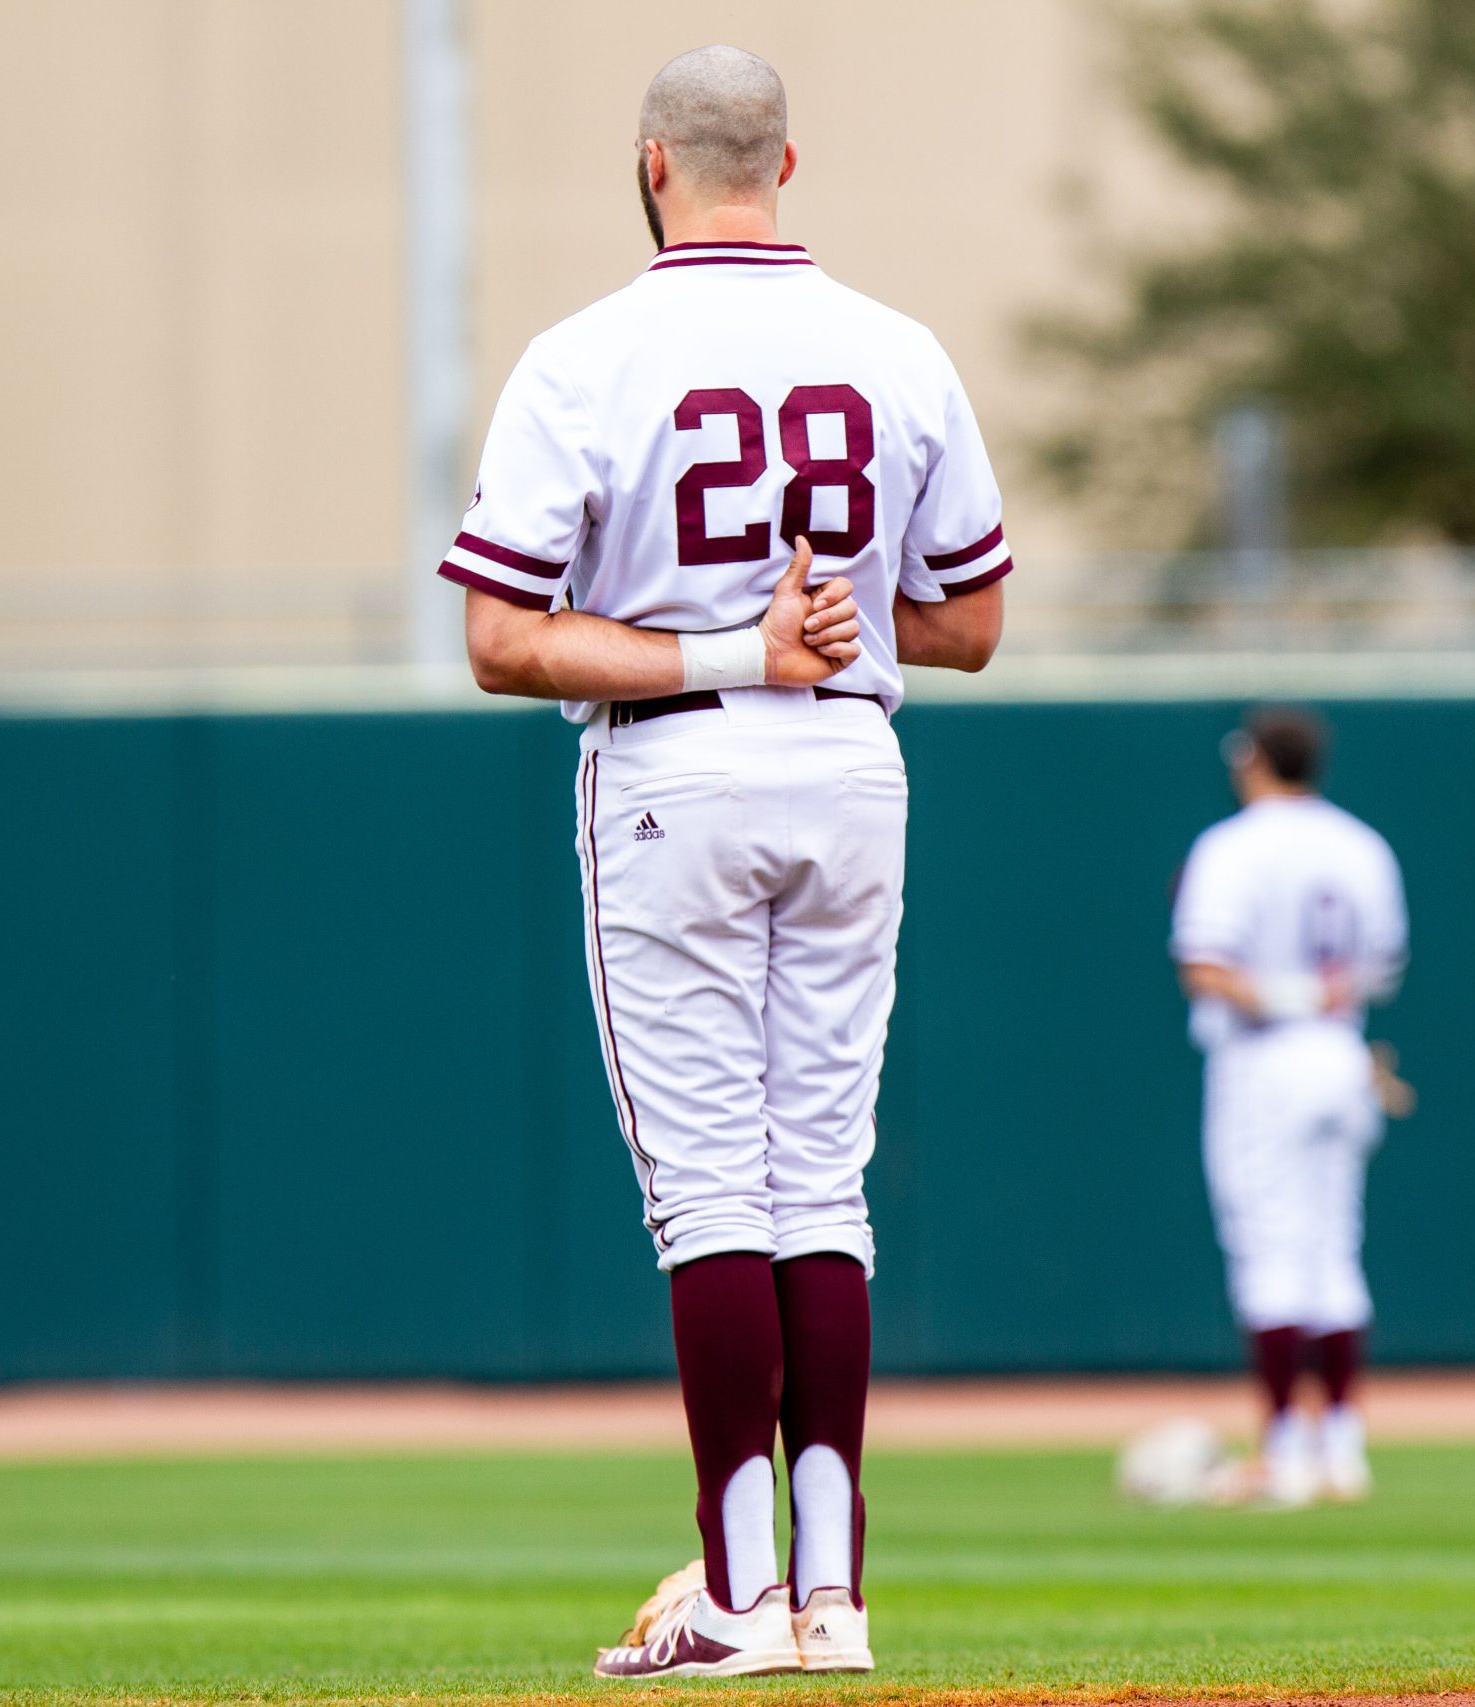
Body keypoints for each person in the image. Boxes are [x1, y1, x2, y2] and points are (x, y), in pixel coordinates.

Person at [444, 45, 1010, 1678]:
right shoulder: (896, 349)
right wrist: (825, 631)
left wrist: (735, 649)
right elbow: (969, 620)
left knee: (713, 1192)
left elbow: (497, 636)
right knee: (821, 1180)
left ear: (650, 166)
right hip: (851, 757)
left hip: (682, 771)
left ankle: (740, 1593)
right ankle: (829, 1597)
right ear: (789, 159)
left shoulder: (584, 355)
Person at [1169, 706, 1408, 1506]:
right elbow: (1381, 967)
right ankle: (1342, 1443)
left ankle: (1283, 1448)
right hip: (1340, 1051)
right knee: (1335, 1249)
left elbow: (1206, 966)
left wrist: (1294, 995)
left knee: (1268, 1250)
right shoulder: (1362, 843)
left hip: (1265, 1056)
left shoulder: (1231, 845)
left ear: (1252, 760)